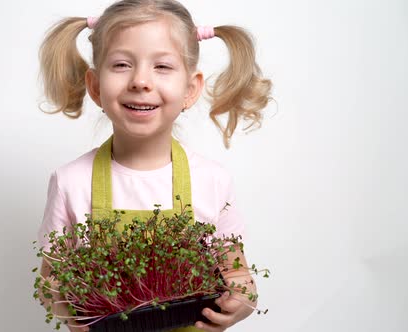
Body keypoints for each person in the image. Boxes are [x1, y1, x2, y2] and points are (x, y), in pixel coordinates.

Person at [35, 1, 271, 331]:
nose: (141, 81)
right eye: (121, 64)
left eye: (162, 66)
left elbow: (237, 274)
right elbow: (51, 280)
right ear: (95, 87)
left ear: (190, 90)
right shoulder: (71, 182)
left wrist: (243, 301)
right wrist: (72, 314)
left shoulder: (211, 180)